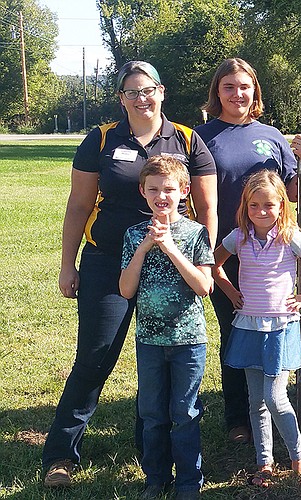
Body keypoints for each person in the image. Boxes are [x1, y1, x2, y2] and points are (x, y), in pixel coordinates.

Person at [42, 60, 217, 488]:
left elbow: (209, 209)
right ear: (121, 98)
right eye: (132, 92)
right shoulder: (101, 139)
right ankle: (61, 455)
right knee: (96, 356)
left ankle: (150, 450)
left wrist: (202, 260)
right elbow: (79, 206)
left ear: (162, 92)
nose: (142, 98)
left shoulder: (188, 140)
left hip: (170, 263)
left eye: (149, 90)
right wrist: (68, 264)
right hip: (108, 262)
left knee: (159, 357)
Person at [195, 57, 301, 444]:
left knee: (271, 329)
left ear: (255, 91)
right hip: (224, 252)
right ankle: (239, 418)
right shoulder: (201, 137)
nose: (237, 93)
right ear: (217, 92)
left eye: (244, 86)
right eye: (228, 86)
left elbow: (291, 194)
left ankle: (273, 402)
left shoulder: (272, 136)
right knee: (233, 332)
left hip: (271, 258)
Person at [212, 170, 301, 485]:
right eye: (254, 205)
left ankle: (298, 456)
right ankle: (264, 462)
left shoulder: (289, 235)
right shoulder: (239, 235)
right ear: (245, 206)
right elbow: (214, 263)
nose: (261, 212)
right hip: (248, 326)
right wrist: (229, 291)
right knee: (256, 401)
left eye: (268, 205)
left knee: (274, 396)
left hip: (280, 326)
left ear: (282, 205)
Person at [119, 156, 214, 500]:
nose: (162, 196)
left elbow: (203, 286)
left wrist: (170, 247)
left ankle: (189, 482)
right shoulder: (133, 235)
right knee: (152, 413)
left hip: (188, 340)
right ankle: (156, 478)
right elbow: (126, 289)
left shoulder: (195, 233)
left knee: (184, 413)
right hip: (149, 341)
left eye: (169, 189)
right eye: (154, 189)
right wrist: (146, 246)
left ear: (184, 191)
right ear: (143, 192)